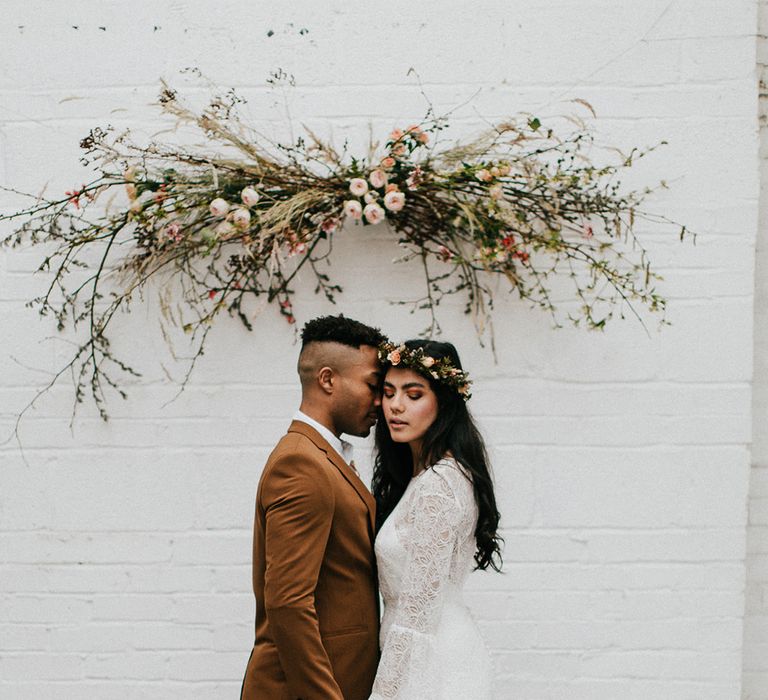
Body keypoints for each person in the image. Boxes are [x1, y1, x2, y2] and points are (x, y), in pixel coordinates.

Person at [241, 315, 387, 700]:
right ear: (327, 380)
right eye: (372, 385)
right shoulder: (302, 464)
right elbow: (288, 603)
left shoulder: (323, 457)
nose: (380, 402)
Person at [369, 339, 502, 700]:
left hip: (432, 662)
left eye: (414, 395)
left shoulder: (439, 485)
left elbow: (417, 615)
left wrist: (384, 693)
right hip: (422, 652)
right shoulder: (422, 478)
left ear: (442, 403)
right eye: (389, 392)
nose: (396, 406)